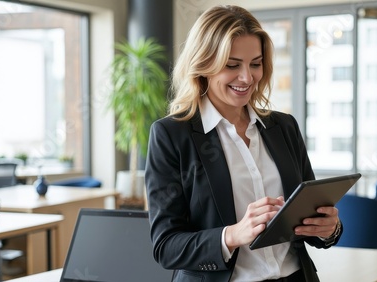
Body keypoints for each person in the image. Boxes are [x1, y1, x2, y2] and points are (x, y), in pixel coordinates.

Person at [145, 5, 343, 282]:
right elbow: (166, 247)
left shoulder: (284, 127)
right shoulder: (171, 135)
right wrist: (233, 234)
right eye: (232, 65)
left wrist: (329, 229)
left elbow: (309, 217)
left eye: (255, 63)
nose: (247, 78)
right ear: (204, 65)